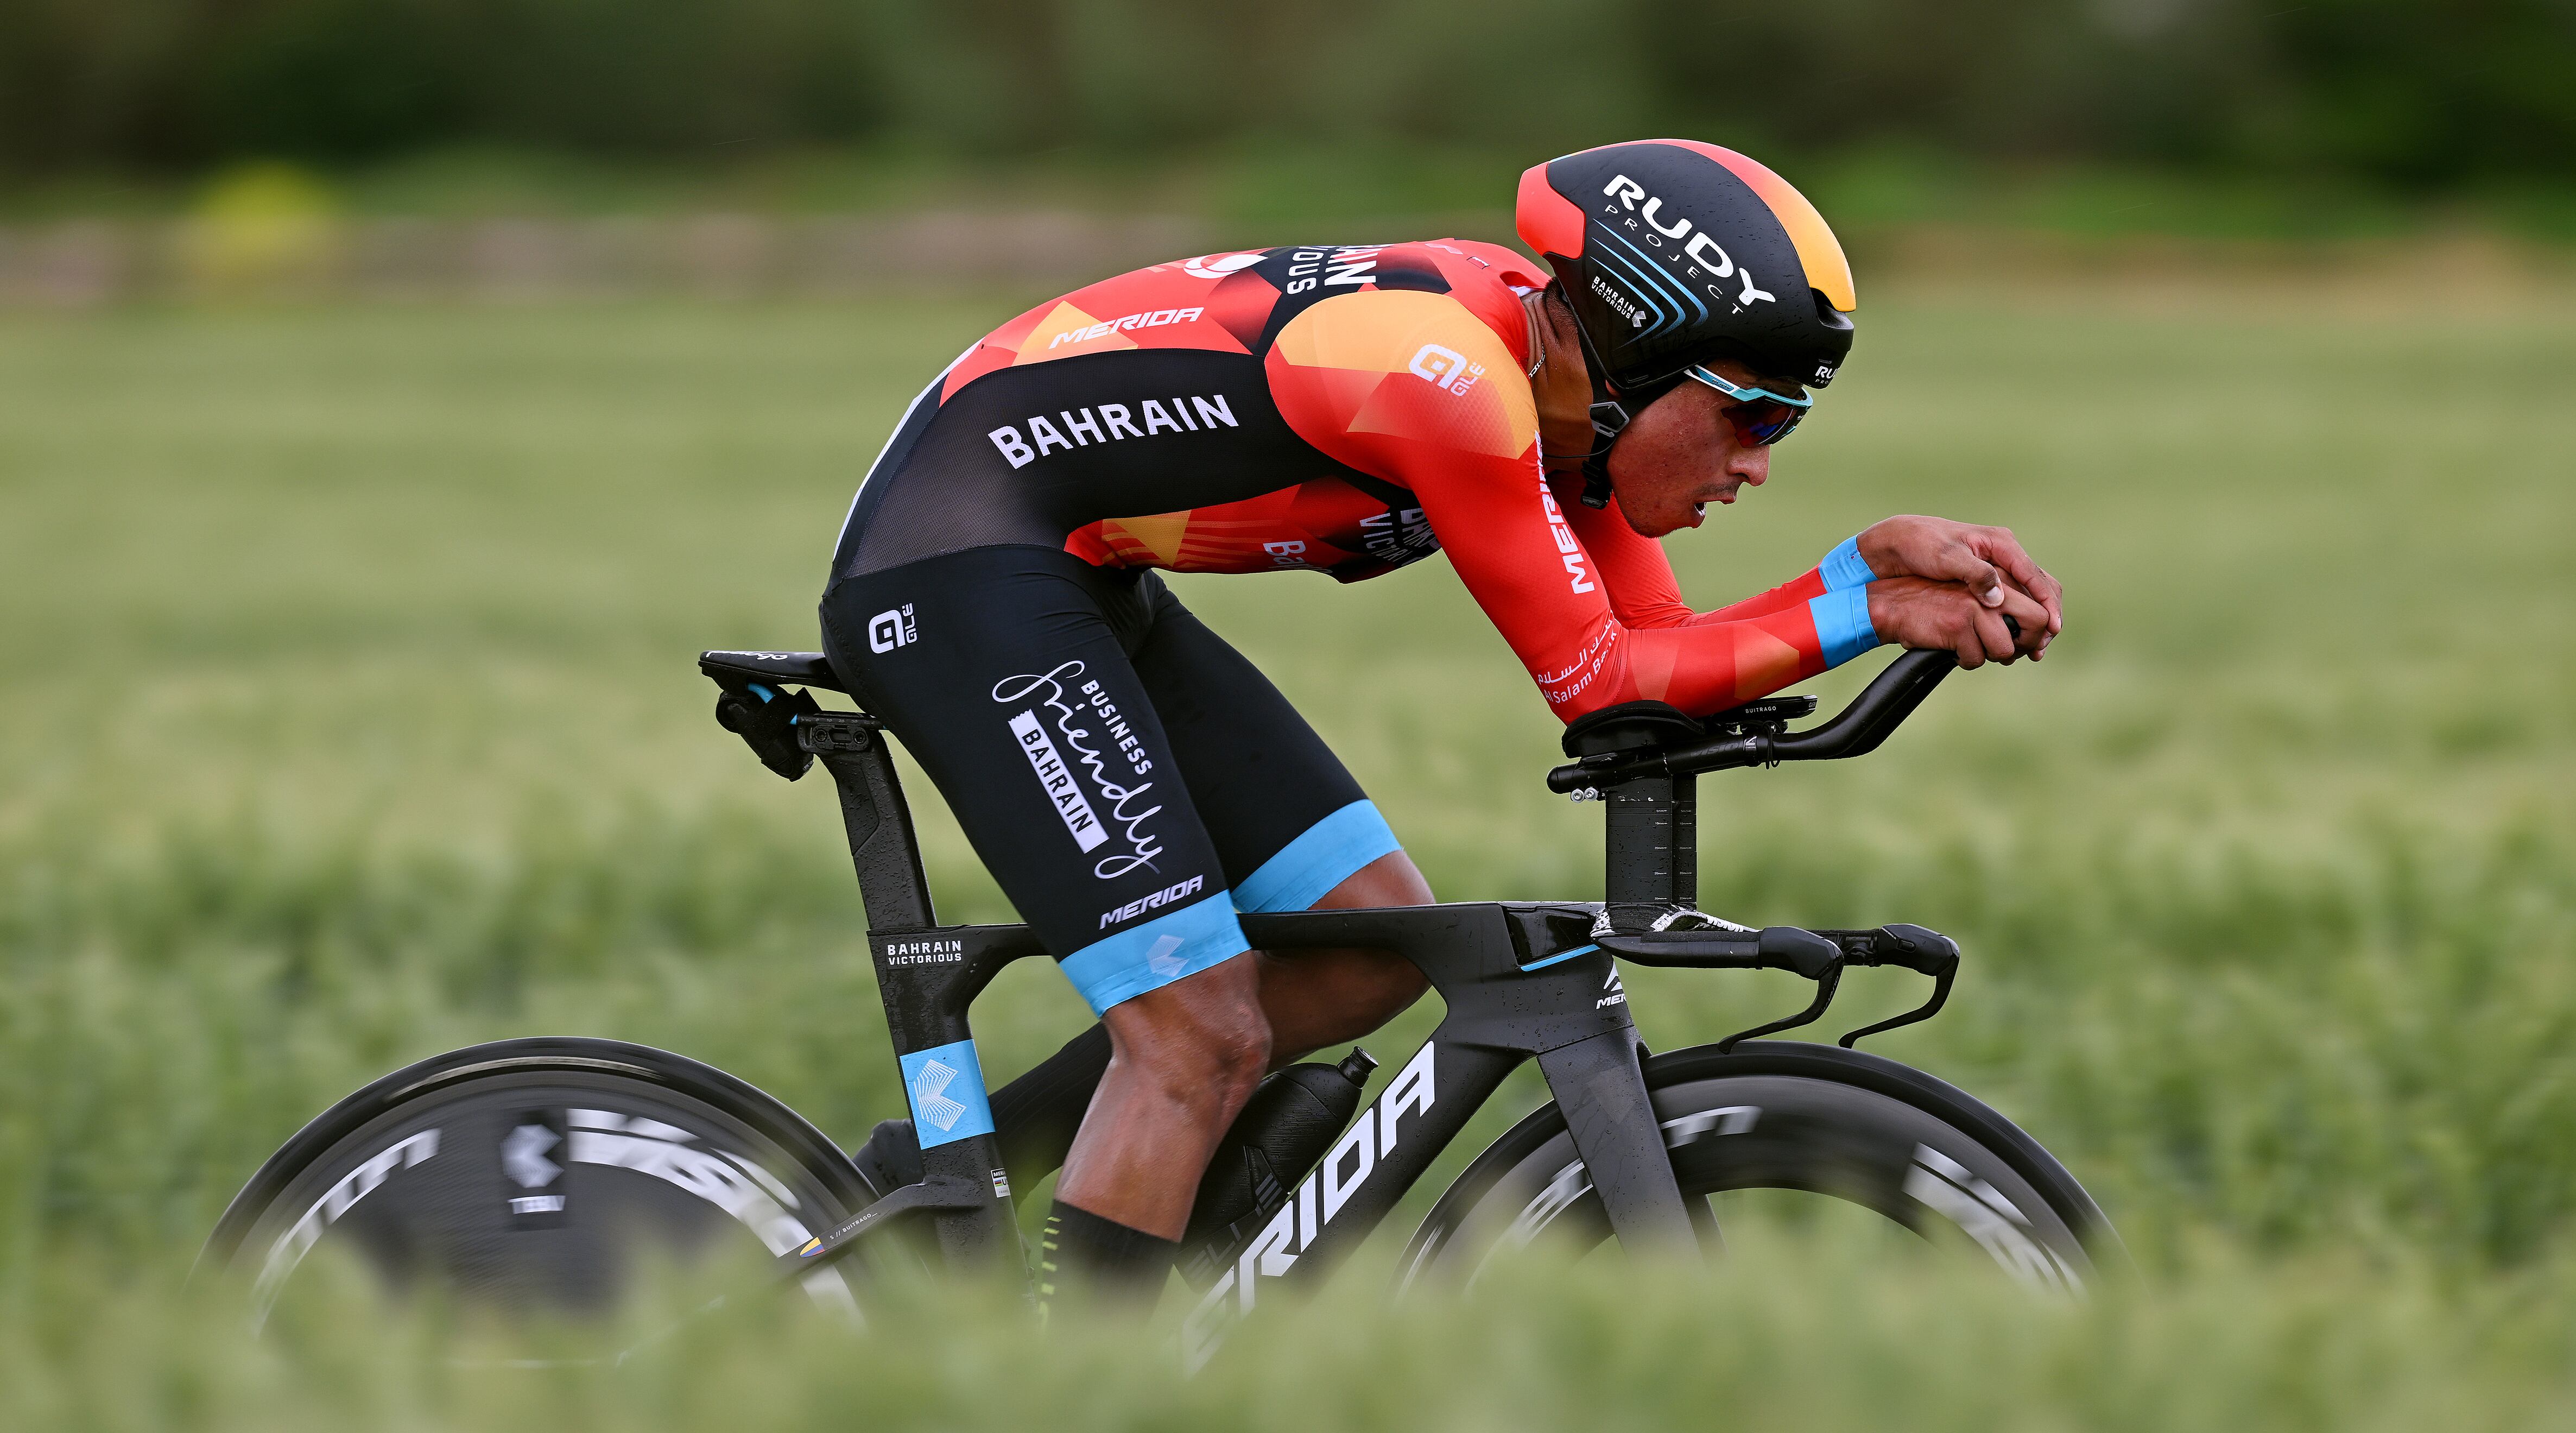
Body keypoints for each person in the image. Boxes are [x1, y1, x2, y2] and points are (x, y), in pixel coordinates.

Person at [818, 138, 2064, 1314]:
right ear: (1640, 353)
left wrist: (1863, 584)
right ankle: (1071, 1416)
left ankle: (939, 1183)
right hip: (955, 568)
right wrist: (1855, 596)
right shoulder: (1453, 378)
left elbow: (1663, 658)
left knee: (1366, 946)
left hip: (1078, 572)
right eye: (1755, 415)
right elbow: (1604, 683)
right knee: (1195, 1036)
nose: (1759, 465)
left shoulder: (1572, 406)